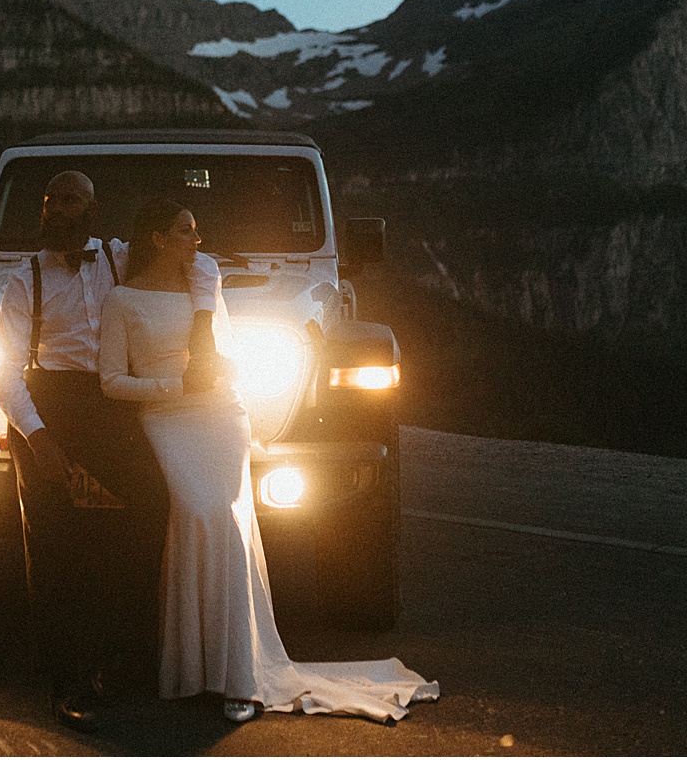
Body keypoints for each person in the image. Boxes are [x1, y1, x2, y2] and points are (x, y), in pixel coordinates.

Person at [98, 196, 440, 724]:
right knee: (191, 514)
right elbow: (111, 381)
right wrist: (173, 385)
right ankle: (189, 667)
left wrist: (219, 369)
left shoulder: (204, 285)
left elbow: (228, 351)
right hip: (166, 419)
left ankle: (239, 674)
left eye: (196, 230)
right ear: (157, 239)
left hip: (220, 415)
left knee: (229, 521)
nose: (197, 239)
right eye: (186, 231)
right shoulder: (121, 300)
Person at [0, 170, 222, 731]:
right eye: (55, 200)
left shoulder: (119, 258)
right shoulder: (24, 281)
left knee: (150, 507)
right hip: (52, 404)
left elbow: (203, 262)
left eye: (77, 200)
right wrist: (39, 438)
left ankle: (127, 657)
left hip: (112, 404)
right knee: (54, 538)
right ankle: (66, 679)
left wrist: (206, 324)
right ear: (44, 209)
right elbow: (4, 373)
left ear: (94, 209)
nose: (65, 209)